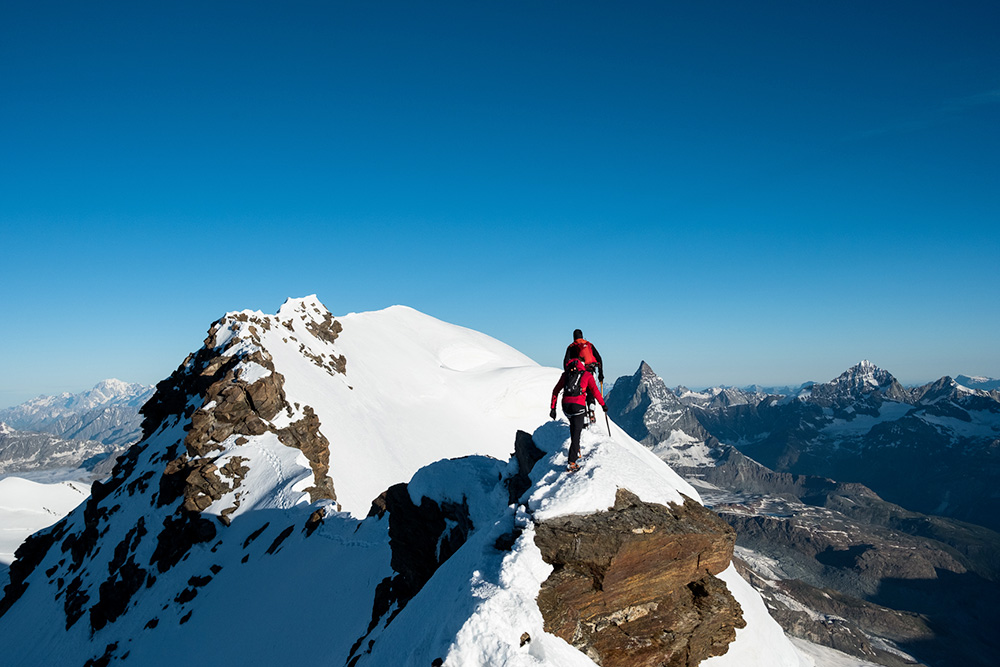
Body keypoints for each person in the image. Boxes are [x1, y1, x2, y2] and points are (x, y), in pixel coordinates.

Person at [550, 358, 606, 471]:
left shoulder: (566, 374)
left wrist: (553, 408)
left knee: (573, 427)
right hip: (578, 407)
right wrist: (603, 405)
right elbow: (595, 391)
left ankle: (576, 449)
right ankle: (572, 462)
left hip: (566, 407)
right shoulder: (586, 375)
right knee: (577, 433)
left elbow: (555, 391)